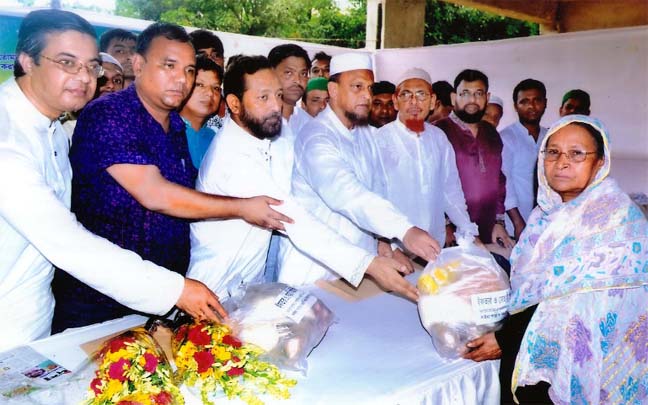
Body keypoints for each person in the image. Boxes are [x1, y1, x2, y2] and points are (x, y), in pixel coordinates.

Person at [0, 9, 225, 352]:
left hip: (35, 321)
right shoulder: (8, 137)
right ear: (28, 61)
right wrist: (175, 290)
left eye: (92, 66)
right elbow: (68, 242)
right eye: (67, 62)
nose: (84, 76)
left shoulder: (52, 130)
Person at [52, 22, 291, 331]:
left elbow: (186, 203)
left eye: (190, 70)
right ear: (138, 65)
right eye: (169, 66)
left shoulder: (175, 126)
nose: (182, 79)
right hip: (101, 299)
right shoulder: (109, 114)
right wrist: (243, 206)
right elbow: (156, 194)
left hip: (162, 299)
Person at [188, 55, 416, 300]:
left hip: (249, 284)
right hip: (214, 288)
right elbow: (293, 218)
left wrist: (383, 243)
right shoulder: (231, 156)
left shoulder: (273, 134)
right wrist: (368, 264)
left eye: (277, 95)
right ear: (234, 104)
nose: (276, 106)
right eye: (263, 97)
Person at [464, 115, 648, 404]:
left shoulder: (616, 219)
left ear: (600, 162)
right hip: (530, 348)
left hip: (585, 365)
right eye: (553, 152)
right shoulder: (545, 216)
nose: (561, 162)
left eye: (577, 153)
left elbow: (570, 305)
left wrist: (505, 339)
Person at [277, 52, 440, 288]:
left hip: (360, 265)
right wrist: (404, 230)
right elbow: (348, 194)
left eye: (369, 88)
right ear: (333, 90)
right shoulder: (316, 137)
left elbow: (377, 191)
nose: (366, 95)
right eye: (357, 87)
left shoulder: (364, 133)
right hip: (316, 270)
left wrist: (385, 243)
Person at [373, 68, 478, 259]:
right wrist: (387, 243)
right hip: (394, 247)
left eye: (421, 95)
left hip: (432, 247)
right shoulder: (379, 141)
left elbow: (451, 191)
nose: (414, 102)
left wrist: (468, 231)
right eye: (406, 95)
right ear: (396, 101)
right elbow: (373, 198)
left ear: (432, 101)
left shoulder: (439, 138)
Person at [435, 69, 513, 247]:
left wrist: (498, 222)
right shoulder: (439, 131)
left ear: (487, 97)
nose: (472, 100)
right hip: (451, 234)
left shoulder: (491, 133)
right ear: (454, 97)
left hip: (487, 230)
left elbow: (499, 181)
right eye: (465, 93)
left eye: (478, 93)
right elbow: (431, 183)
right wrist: (445, 225)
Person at [500, 78, 548, 239]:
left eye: (537, 100)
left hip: (547, 222)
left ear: (545, 103)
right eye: (524, 101)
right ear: (516, 106)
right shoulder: (507, 138)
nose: (531, 106)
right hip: (516, 224)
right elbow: (504, 181)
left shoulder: (550, 137)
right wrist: (517, 222)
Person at [179, 55, 223, 169]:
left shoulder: (215, 138)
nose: (210, 93)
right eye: (200, 85)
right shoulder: (168, 130)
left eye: (216, 88)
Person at [268, 43, 312, 137]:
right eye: (288, 73)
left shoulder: (310, 124)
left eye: (303, 74)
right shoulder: (259, 121)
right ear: (271, 73)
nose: (297, 81)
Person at [189, 29, 227, 132]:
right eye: (202, 55)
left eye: (216, 55)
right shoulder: (181, 105)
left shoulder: (234, 101)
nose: (211, 60)